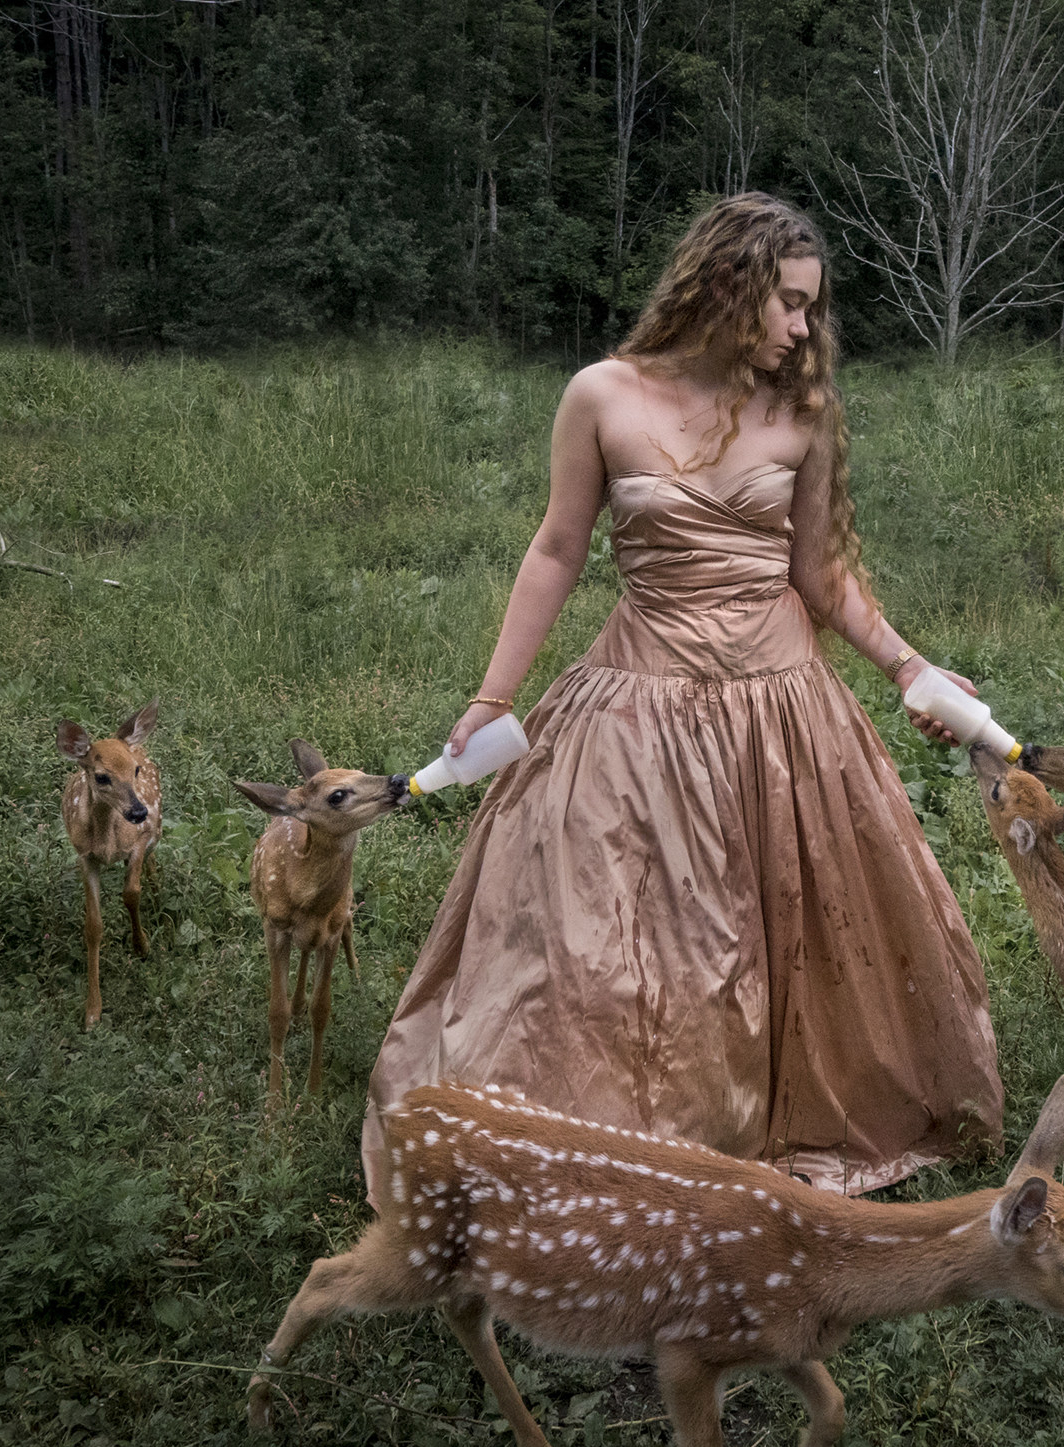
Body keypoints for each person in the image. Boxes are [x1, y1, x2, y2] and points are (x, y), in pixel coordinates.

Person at [364, 194, 1003, 1196]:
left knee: (785, 926)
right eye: (789, 303)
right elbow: (557, 548)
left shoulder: (803, 408)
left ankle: (772, 1111)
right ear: (727, 284)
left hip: (778, 706)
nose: (804, 328)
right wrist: (495, 697)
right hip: (639, 702)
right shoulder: (601, 395)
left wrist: (908, 665)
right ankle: (635, 1121)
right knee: (610, 932)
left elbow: (819, 571)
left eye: (809, 308)